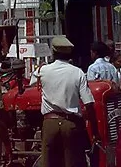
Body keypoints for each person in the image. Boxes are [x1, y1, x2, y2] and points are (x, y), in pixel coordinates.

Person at [35, 35, 98, 167]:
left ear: (53, 52)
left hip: (49, 123)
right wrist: (95, 131)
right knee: (73, 161)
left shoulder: (43, 70)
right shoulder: (77, 73)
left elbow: (32, 84)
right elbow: (89, 104)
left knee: (49, 162)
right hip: (71, 124)